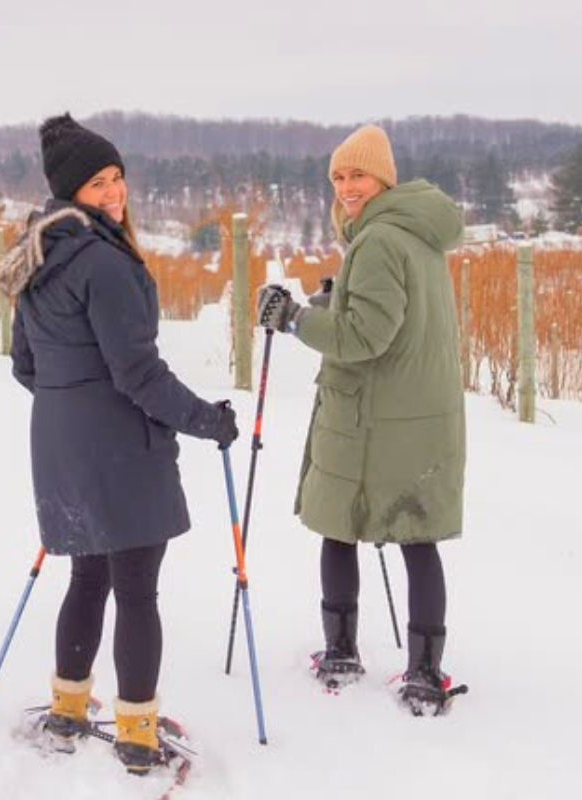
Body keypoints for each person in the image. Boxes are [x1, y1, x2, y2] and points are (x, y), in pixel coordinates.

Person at [0, 114, 238, 771]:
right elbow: (136, 373)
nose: (113, 192)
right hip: (118, 450)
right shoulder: (101, 262)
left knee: (88, 577)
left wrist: (71, 410)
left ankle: (69, 709)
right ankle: (136, 731)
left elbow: (26, 366)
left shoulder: (41, 253)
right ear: (71, 191)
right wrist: (205, 419)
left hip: (60, 448)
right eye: (97, 183)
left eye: (117, 178)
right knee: (135, 590)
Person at [257, 124, 466, 715]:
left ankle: (342, 654)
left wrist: (295, 318)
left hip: (372, 414)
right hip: (420, 414)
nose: (347, 187)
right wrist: (338, 296)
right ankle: (426, 672)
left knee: (339, 523)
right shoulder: (415, 232)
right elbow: (392, 316)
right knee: (416, 535)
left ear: (384, 178)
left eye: (358, 175)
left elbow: (364, 336)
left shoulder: (377, 240)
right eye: (339, 177)